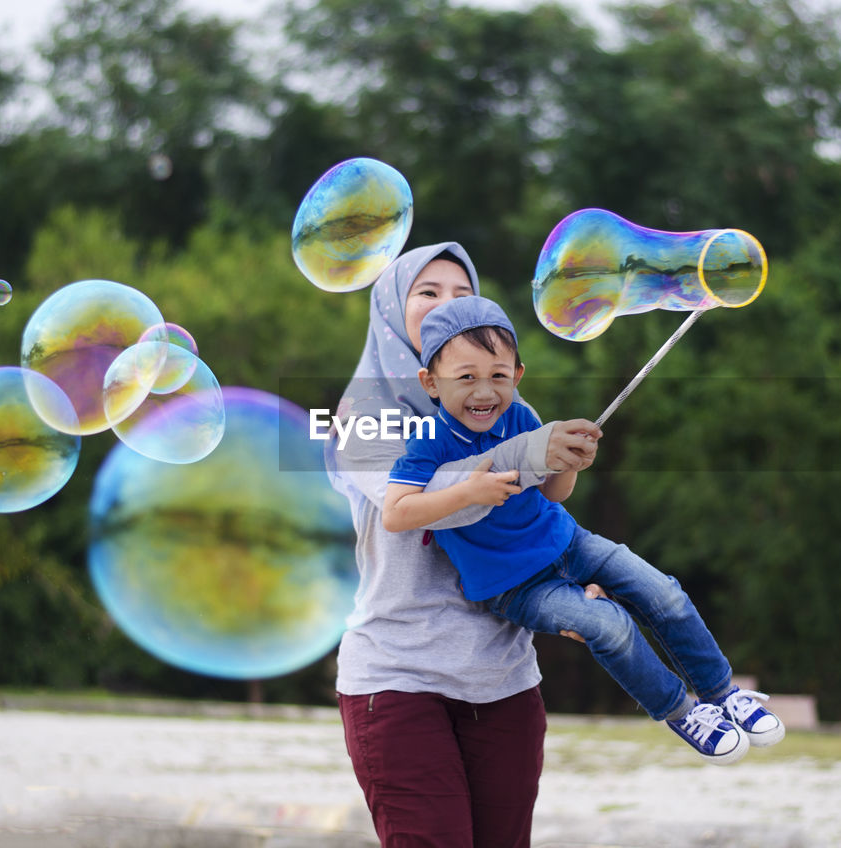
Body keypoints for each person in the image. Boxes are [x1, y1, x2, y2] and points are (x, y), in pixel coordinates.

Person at [382, 295, 786, 766]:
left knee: (665, 593)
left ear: (517, 375)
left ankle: (723, 692)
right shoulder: (427, 440)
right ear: (431, 383)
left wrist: (572, 462)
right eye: (465, 377)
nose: (484, 392)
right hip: (514, 587)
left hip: (570, 542)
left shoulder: (521, 418)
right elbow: (396, 513)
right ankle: (682, 711)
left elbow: (554, 494)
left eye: (498, 376)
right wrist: (469, 492)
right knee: (609, 626)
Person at [326, 242, 602, 848]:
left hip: (503, 679)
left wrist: (567, 593)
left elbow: (531, 521)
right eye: (427, 293)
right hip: (397, 678)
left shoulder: (505, 405)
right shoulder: (364, 415)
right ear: (392, 311)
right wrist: (527, 455)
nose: (447, 305)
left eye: (461, 292)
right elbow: (430, 499)